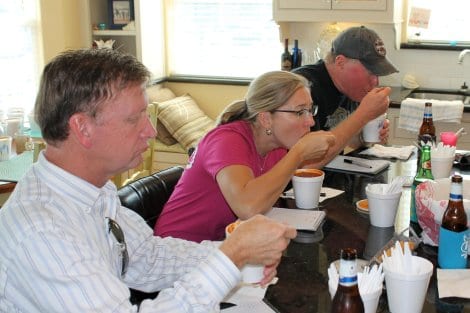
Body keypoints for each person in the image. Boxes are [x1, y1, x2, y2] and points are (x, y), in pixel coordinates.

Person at [0, 49, 297, 312]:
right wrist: (234, 255)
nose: (150, 131)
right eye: (134, 119)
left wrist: (237, 252)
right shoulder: (42, 231)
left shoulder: (93, 190)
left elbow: (146, 256)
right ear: (83, 128)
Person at [155, 71, 336, 242]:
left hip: (224, 245)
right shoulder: (226, 140)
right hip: (178, 248)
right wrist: (298, 153)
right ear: (265, 119)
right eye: (299, 112)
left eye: (310, 110)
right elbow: (248, 207)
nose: (310, 121)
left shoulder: (277, 146)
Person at [292, 25, 398, 161]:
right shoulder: (302, 88)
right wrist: (363, 115)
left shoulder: (352, 89)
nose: (376, 82)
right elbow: (307, 161)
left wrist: (364, 137)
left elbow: (343, 141)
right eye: (371, 72)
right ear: (340, 62)